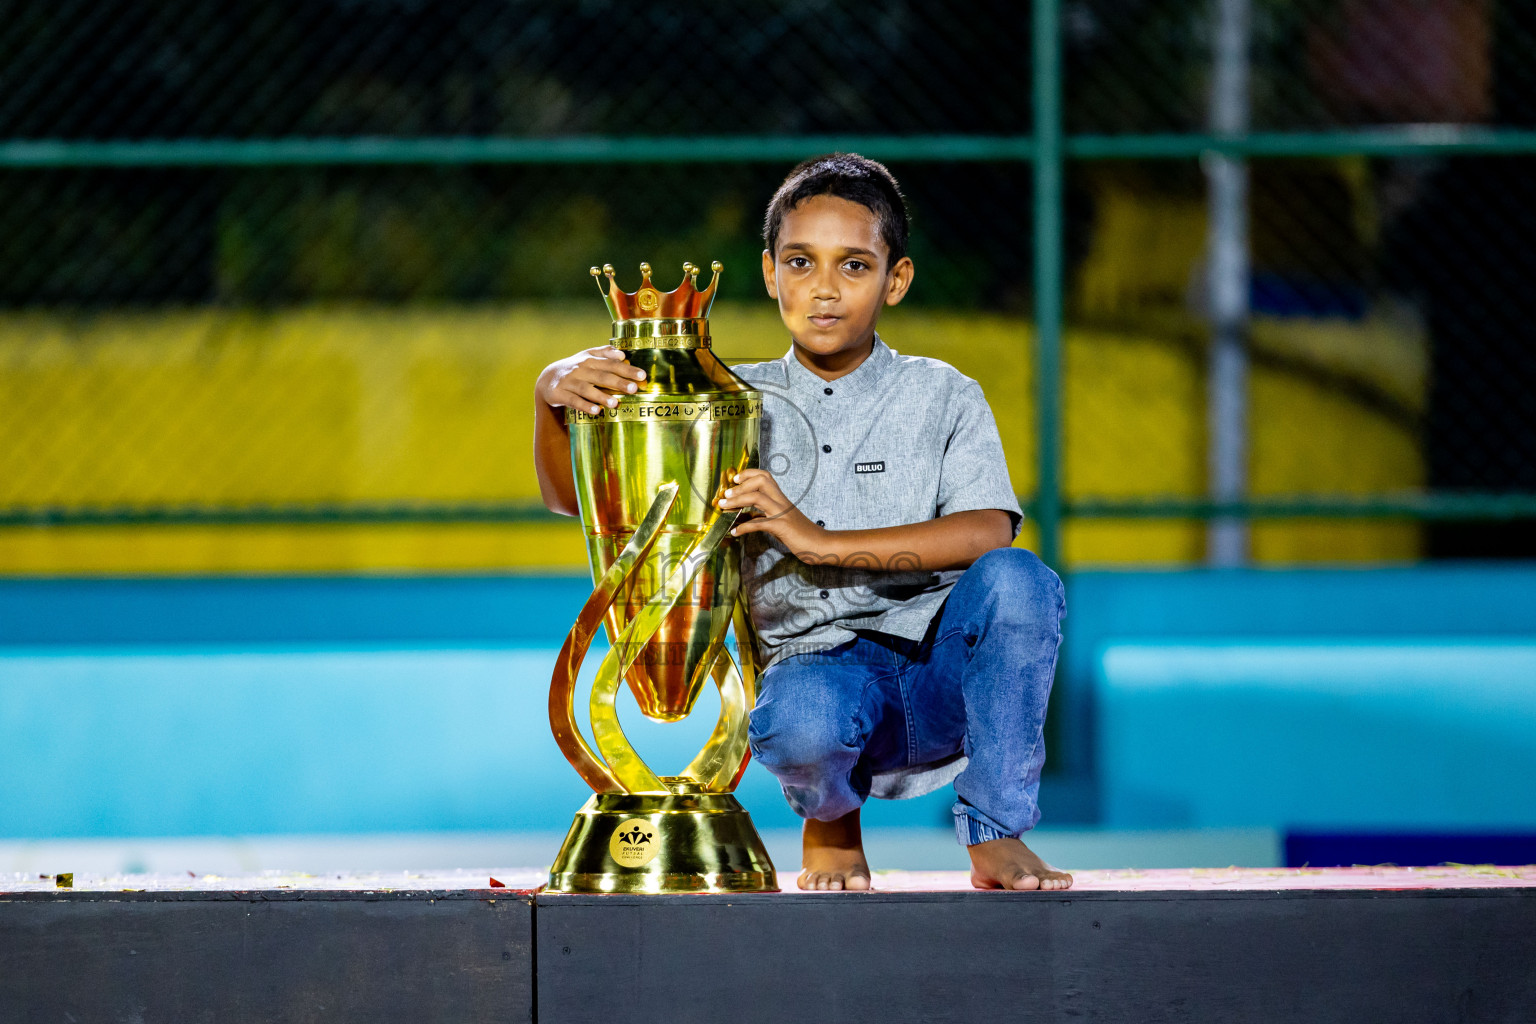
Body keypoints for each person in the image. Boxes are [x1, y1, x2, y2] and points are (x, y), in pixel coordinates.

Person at [533, 153, 1070, 892]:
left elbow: (988, 533)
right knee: (800, 724)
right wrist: (551, 394)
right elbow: (577, 500)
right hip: (818, 674)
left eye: (853, 266)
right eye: (800, 262)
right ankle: (832, 822)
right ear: (769, 274)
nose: (823, 288)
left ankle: (995, 830)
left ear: (896, 280)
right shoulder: (723, 402)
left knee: (1021, 582)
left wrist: (816, 540)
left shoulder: (941, 393)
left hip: (940, 673)